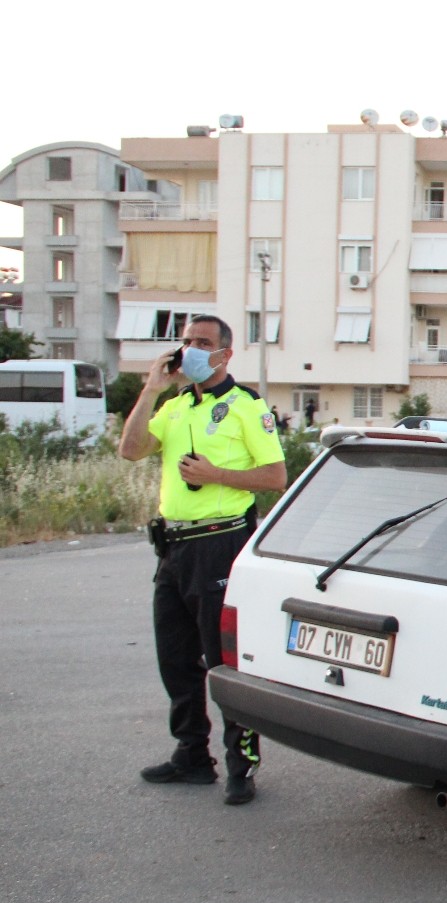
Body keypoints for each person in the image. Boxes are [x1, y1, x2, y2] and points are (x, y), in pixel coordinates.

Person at [119, 315, 287, 806]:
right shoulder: (174, 407)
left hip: (220, 543)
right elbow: (130, 450)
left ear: (224, 354)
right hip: (172, 547)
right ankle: (191, 755)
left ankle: (242, 765)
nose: (191, 349)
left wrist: (217, 474)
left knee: (223, 660)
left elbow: (276, 477)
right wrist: (151, 389)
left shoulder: (244, 407)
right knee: (175, 659)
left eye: (203, 343)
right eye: (187, 341)